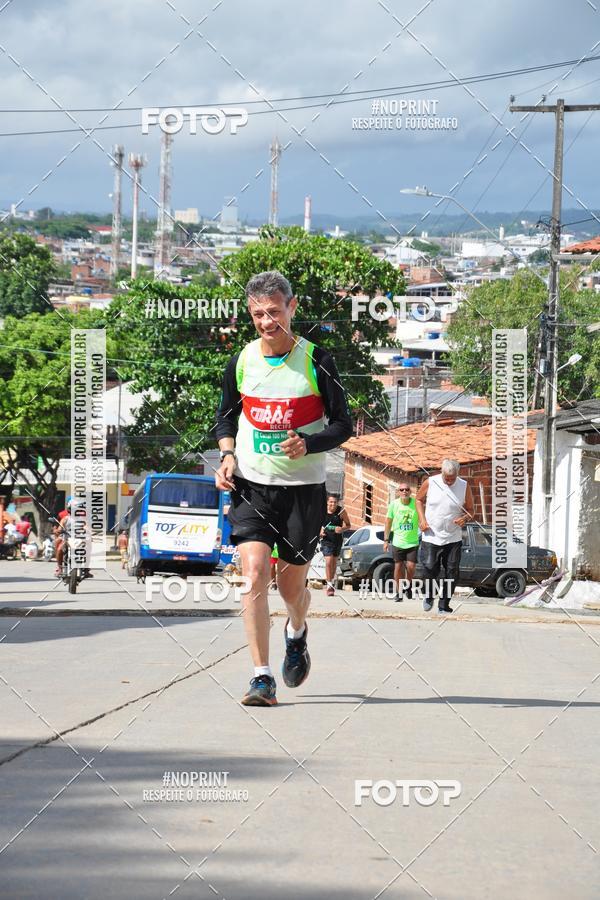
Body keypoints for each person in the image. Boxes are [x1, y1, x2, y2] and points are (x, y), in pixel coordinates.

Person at [214, 270, 353, 707]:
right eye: (258, 314)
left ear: (292, 308)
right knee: (254, 576)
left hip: (302, 490)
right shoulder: (242, 361)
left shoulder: (316, 361)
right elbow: (224, 419)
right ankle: (260, 677)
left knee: (291, 588)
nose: (266, 321)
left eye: (274, 312)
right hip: (252, 487)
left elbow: (343, 425)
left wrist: (309, 442)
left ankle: (297, 630)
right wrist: (227, 455)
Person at [415, 459, 474, 614]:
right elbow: (418, 500)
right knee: (429, 568)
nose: (448, 482)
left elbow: (470, 510)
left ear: (457, 475)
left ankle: (444, 605)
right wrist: (422, 519)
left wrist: (464, 518)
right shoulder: (431, 482)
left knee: (452, 571)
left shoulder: (464, 486)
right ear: (441, 473)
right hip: (431, 535)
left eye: (452, 479)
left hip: (453, 537)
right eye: (446, 478)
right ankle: (428, 595)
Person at [383, 483, 419, 602]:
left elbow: (424, 517)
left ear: (410, 492)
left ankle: (407, 586)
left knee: (411, 566)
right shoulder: (394, 504)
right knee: (398, 567)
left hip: (412, 542)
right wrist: (386, 540)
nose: (404, 491)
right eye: (401, 490)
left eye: (407, 489)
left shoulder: (416, 503)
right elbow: (388, 522)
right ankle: (398, 592)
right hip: (398, 541)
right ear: (398, 492)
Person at [319, 494, 350, 596]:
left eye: (335, 502)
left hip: (337, 540)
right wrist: (320, 531)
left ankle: (331, 582)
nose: (333, 504)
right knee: (328, 561)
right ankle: (329, 585)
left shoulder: (341, 511)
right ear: (327, 502)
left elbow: (348, 525)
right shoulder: (322, 511)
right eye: (331, 502)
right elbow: (315, 524)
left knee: (333, 564)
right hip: (326, 540)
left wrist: (342, 529)